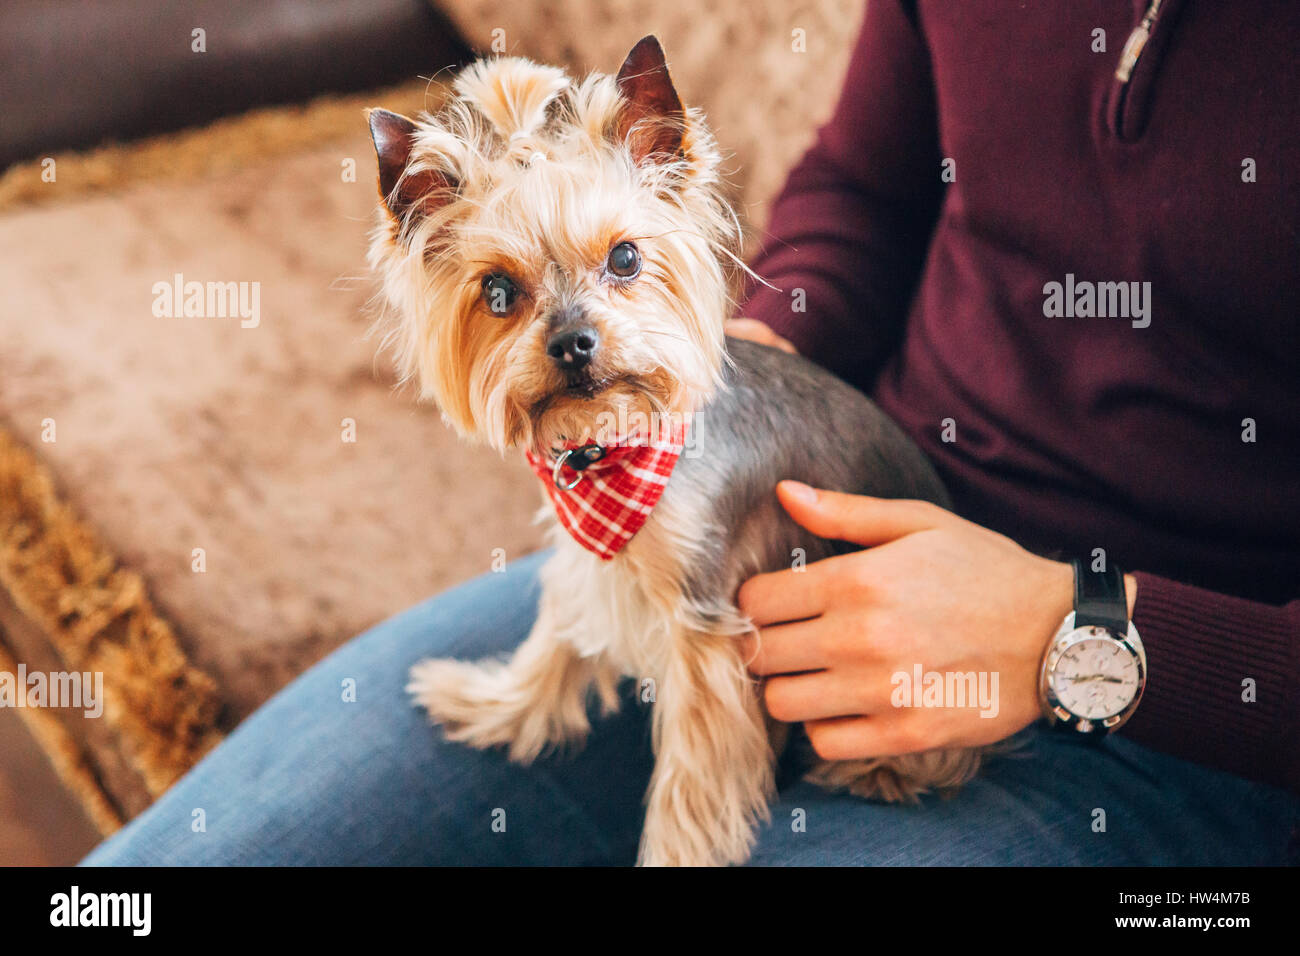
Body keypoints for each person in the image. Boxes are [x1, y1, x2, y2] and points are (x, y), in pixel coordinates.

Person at [84, 1, 1298, 866]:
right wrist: (745, 357)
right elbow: (863, 188)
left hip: (1170, 716)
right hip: (793, 520)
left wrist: (1072, 630)